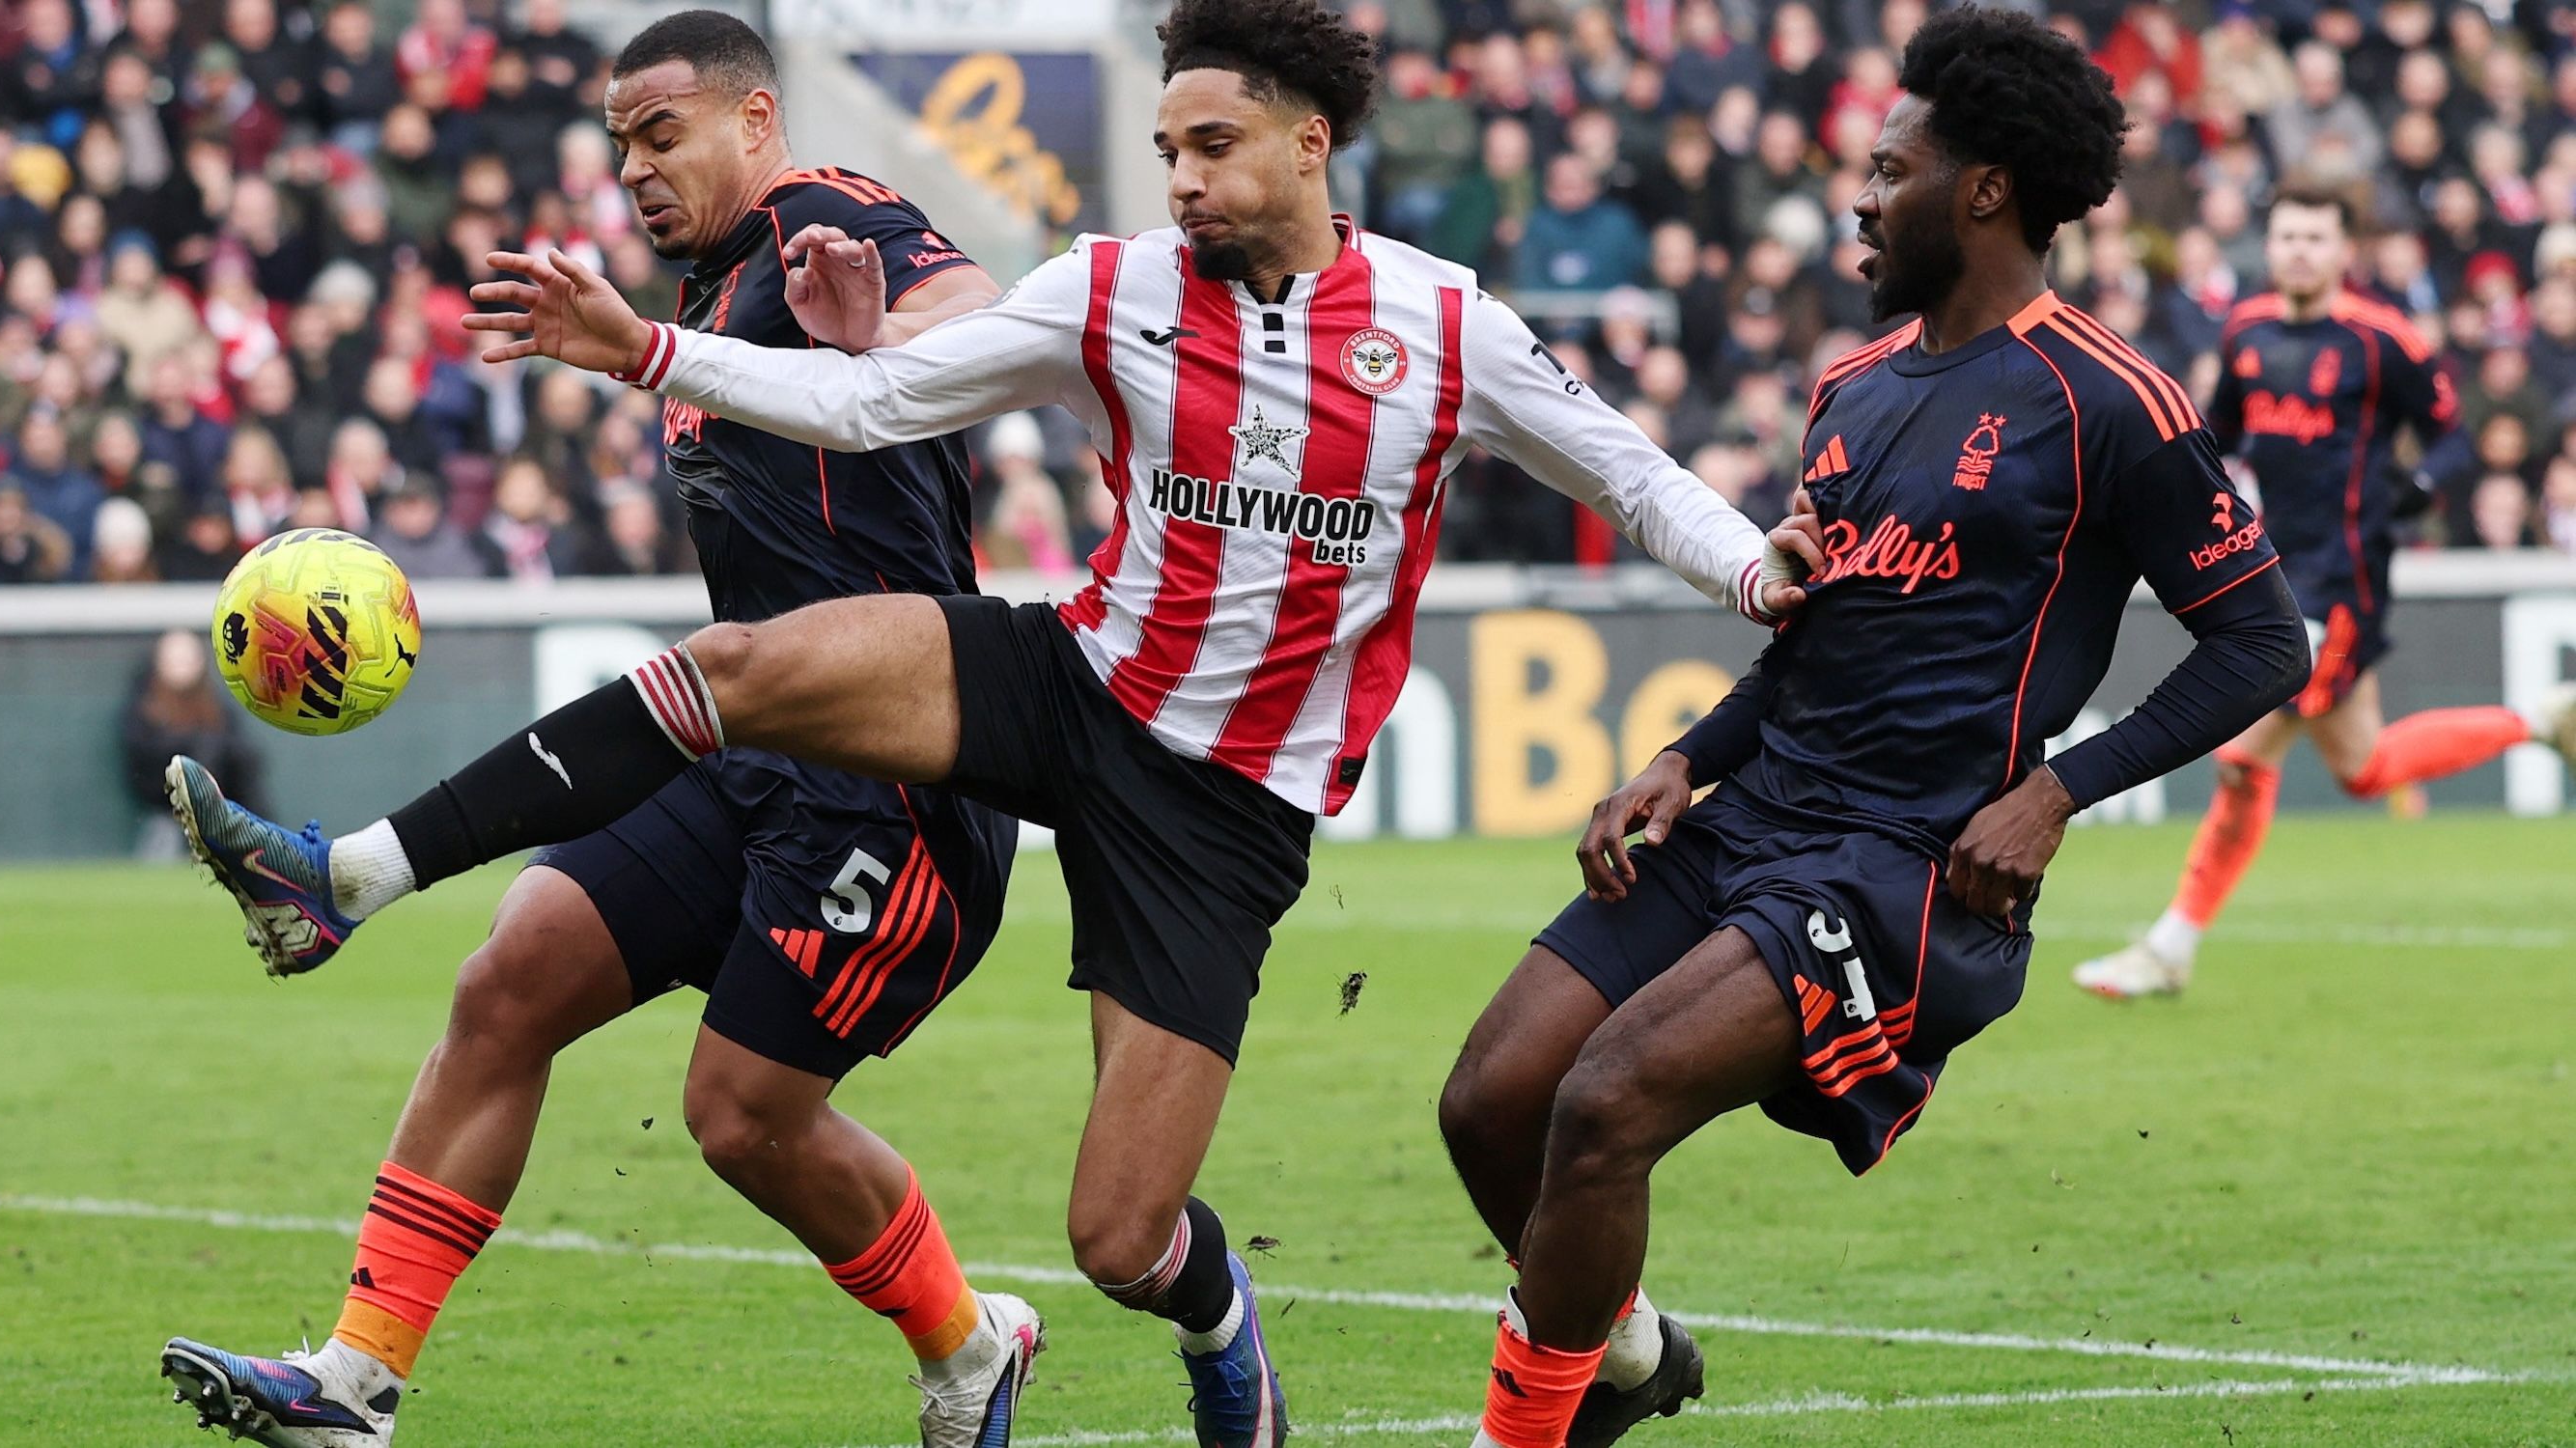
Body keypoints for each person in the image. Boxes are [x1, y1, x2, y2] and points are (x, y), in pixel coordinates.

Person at [165, 4, 1818, 1445]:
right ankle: (353, 877)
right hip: (1074, 680)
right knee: (734, 672)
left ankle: (1209, 1317)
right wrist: (655, 351)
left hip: (1224, 809)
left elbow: (1632, 475)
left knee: (1115, 1235)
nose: (1178, 180)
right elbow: (880, 395)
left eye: (1212, 146)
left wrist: (1755, 575)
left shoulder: (1448, 330)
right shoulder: (1120, 287)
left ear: (1313, 145)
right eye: (1165, 148)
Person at [155, 14, 1044, 1448]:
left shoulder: (832, 218)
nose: (633, 167)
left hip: (897, 789)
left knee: (741, 1119)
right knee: (511, 977)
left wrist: (882, 335)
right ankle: (354, 1383)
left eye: (663, 133)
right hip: (751, 755)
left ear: (757, 121)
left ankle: (971, 1342)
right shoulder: (702, 291)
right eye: (620, 142)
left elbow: (992, 317)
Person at [1432, 14, 2313, 1446]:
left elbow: (2266, 640)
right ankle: (1629, 1354)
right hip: (1757, 817)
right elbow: (1814, 651)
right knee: (1492, 1097)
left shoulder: (2110, 398)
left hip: (1908, 870)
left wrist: (2057, 791)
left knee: (1602, 1107)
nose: (1858, 192)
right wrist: (1685, 758)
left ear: (1981, 191)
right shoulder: (1850, 390)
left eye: (1888, 166)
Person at [2072, 187, 2576, 1000]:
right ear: (2269, 247)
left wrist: (2416, 483)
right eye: (2287, 235)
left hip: (2344, 585)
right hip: (2274, 568)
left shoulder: (2383, 340)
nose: (2300, 249)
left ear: (2344, 251)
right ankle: (2537, 721)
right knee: (2365, 766)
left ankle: (2170, 944)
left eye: (2316, 236)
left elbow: (2454, 434)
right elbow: (2220, 443)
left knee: (2244, 751)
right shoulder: (2246, 333)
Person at [123, 629, 263, 861]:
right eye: (174, 660)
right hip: (164, 808)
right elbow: (141, 760)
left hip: (220, 813)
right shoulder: (145, 708)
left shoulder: (216, 708)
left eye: (187, 660)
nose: (181, 668)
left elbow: (242, 758)